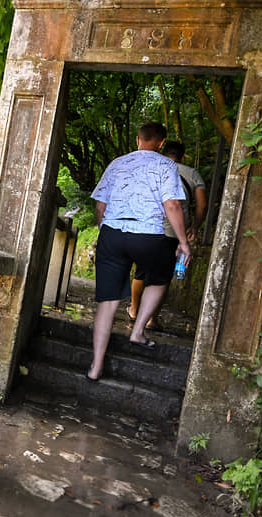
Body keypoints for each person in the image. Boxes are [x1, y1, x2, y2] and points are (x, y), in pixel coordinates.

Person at [86, 121, 191, 381]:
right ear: (161, 143)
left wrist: (107, 233)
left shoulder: (117, 163)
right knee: (160, 276)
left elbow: (100, 207)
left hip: (112, 233)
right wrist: (183, 242)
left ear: (137, 140)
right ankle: (138, 330)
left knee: (107, 303)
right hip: (148, 235)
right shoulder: (166, 165)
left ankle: (95, 366)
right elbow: (173, 205)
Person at [127, 140, 207, 330]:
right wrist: (194, 226)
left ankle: (134, 311)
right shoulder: (192, 174)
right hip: (173, 233)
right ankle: (151, 319)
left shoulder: (152, 168)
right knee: (162, 277)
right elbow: (202, 205)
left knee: (141, 271)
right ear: (183, 156)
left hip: (147, 228)